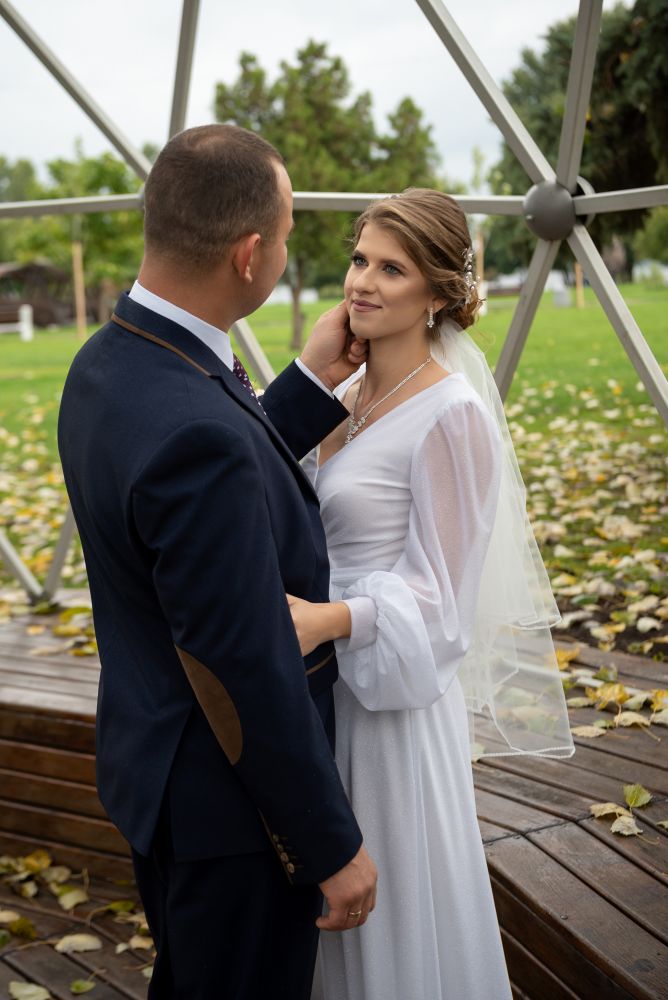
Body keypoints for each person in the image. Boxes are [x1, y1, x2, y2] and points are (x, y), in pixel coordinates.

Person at [57, 123, 378, 1000]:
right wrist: (328, 844)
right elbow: (240, 662)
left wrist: (307, 386)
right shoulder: (193, 430)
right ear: (248, 254)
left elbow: (200, 484)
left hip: (159, 773)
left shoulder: (106, 363)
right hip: (235, 818)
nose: (286, 253)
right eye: (285, 237)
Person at [287, 188, 574, 1000]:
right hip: (322, 688)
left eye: (392, 269)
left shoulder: (452, 414)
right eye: (359, 259)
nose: (362, 282)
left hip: (392, 708)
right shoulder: (342, 399)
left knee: (395, 914)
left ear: (440, 293)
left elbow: (443, 600)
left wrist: (332, 619)